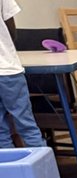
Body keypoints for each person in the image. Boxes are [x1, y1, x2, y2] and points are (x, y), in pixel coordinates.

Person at [0, 0, 44, 151]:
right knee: (26, 125)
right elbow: (11, 29)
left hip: (7, 70)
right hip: (8, 69)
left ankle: (10, 172)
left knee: (1, 132)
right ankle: (42, 171)